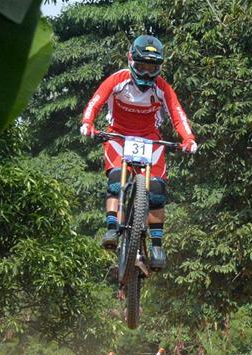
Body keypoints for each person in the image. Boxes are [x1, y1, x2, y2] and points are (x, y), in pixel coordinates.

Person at [79, 34, 197, 270]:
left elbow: (177, 113)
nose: (146, 73)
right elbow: (95, 102)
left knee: (157, 190)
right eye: (141, 66)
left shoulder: (162, 87)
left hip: (151, 140)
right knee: (115, 180)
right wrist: (88, 123)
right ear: (131, 60)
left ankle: (157, 245)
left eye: (152, 68)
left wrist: (188, 138)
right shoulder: (117, 79)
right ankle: (111, 228)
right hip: (118, 136)